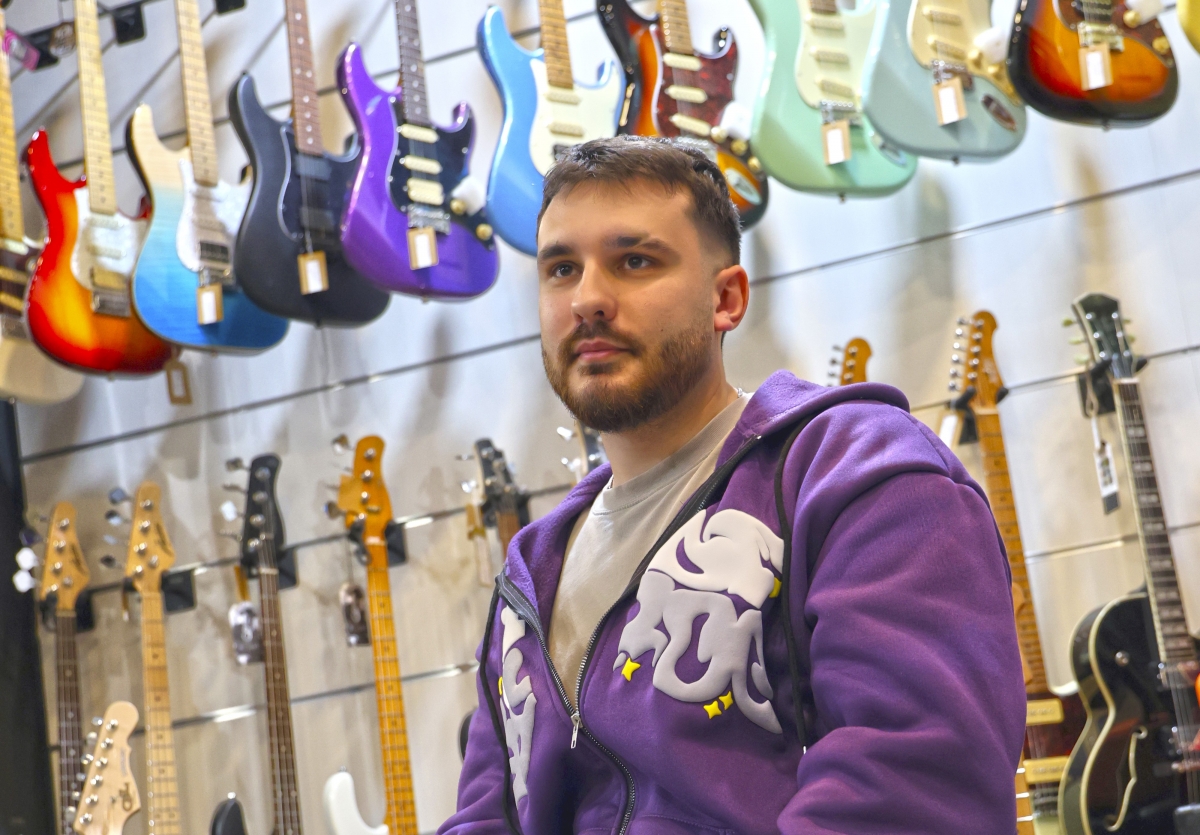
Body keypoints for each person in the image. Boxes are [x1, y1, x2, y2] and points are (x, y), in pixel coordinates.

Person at [440, 136, 1025, 835]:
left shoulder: (862, 476)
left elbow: (914, 789)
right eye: (562, 269)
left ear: (727, 298)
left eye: (634, 261)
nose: (589, 299)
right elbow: (484, 815)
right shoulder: (530, 572)